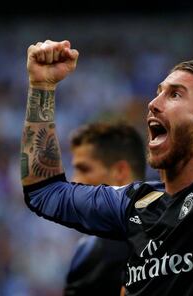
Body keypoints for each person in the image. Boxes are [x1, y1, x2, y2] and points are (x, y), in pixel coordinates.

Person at [20, 16, 193, 295]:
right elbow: (45, 192)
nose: (153, 103)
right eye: (158, 93)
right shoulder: (134, 203)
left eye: (175, 95)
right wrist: (42, 86)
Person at [64, 122, 146, 295]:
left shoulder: (101, 249)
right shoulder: (169, 229)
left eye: (84, 169)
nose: (74, 181)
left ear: (120, 171)